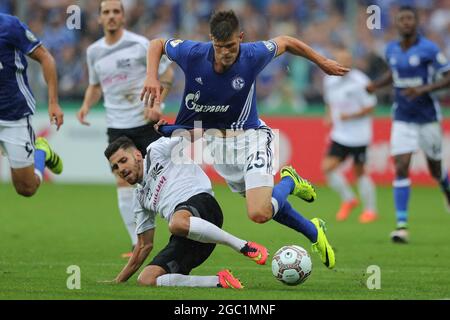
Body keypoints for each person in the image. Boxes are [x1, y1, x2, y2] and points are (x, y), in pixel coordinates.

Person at [141, 10, 350, 269]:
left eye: (230, 46)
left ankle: (288, 181)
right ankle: (313, 230)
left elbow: (286, 41)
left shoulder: (252, 54)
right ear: (211, 40)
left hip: (251, 138)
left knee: (259, 212)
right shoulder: (193, 53)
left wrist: (322, 62)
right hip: (219, 148)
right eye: (219, 47)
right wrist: (151, 76)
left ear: (240, 38)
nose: (225, 53)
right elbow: (157, 44)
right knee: (264, 205)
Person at [76, 0, 174, 258]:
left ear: (123, 17)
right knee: (123, 185)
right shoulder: (93, 51)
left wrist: (157, 104)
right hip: (116, 128)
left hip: (145, 124)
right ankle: (136, 245)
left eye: (115, 12)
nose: (111, 16)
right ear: (99, 18)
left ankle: (179, 231)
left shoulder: (140, 44)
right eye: (106, 12)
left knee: (162, 182)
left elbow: (167, 75)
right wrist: (86, 106)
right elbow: (95, 85)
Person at [104, 136, 268, 288]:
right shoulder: (139, 197)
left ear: (138, 155)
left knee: (176, 223)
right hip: (189, 235)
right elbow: (144, 245)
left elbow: (190, 133)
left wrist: (172, 129)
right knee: (147, 279)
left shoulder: (156, 151)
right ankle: (218, 281)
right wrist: (118, 281)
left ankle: (244, 246)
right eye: (115, 167)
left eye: (123, 160)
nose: (121, 169)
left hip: (204, 206)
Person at [367, 6, 450, 243]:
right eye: (402, 19)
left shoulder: (429, 49)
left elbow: (448, 75)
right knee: (401, 165)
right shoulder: (391, 49)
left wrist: (423, 89)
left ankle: (445, 186)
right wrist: (376, 85)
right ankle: (401, 225)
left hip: (427, 119)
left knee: (435, 169)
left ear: (416, 22)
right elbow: (394, 74)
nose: (405, 23)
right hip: (402, 117)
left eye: (409, 19)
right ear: (396, 23)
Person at [0, 13, 64, 197]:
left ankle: (42, 151)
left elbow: (46, 58)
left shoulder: (9, 26)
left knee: (26, 188)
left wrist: (53, 103)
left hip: (13, 114)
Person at [322, 47, 378, 223]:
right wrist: (329, 115)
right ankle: (349, 199)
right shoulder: (329, 80)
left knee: (359, 172)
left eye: (346, 61)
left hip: (359, 136)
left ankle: (370, 210)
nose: (343, 64)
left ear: (351, 62)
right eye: (339, 61)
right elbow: (330, 101)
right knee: (327, 168)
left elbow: (370, 107)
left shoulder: (360, 81)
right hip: (340, 134)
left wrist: (350, 115)